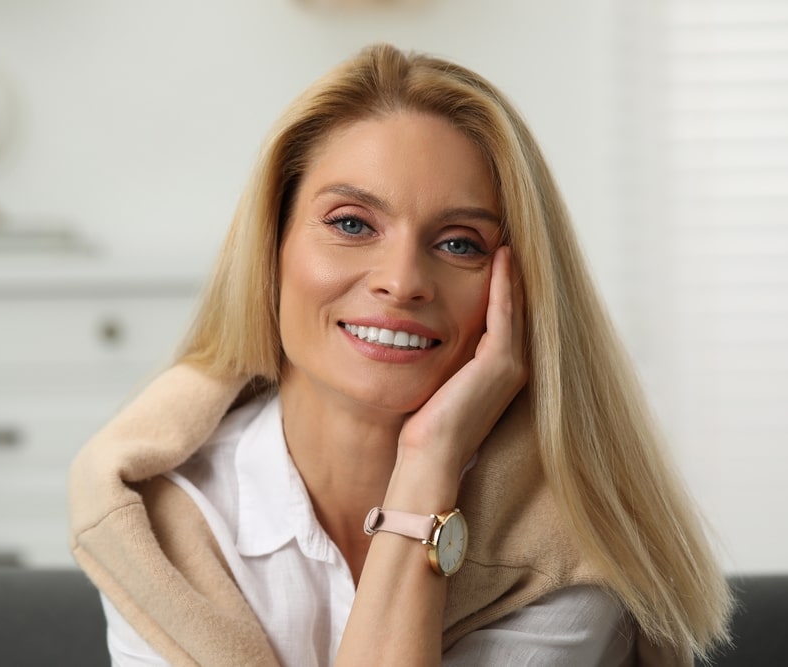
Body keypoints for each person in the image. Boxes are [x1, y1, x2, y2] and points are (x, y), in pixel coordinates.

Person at [69, 44, 732, 666]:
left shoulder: (569, 536)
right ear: (271, 248)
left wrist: (428, 464)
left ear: (519, 293)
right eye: (352, 224)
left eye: (460, 242)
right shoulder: (159, 520)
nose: (402, 279)